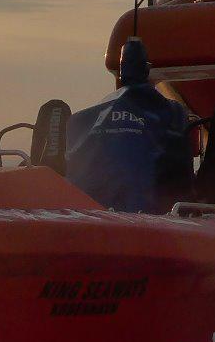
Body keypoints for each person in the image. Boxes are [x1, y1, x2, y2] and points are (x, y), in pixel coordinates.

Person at [66, 37, 194, 212]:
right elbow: (182, 168)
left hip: (89, 212)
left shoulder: (84, 118)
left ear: (120, 71)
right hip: (151, 212)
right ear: (146, 69)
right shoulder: (171, 111)